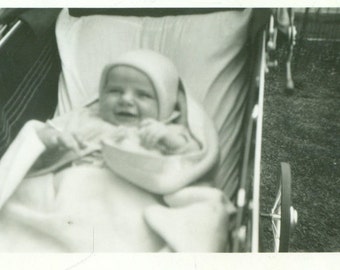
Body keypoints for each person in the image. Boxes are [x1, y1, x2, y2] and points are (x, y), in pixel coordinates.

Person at [0, 49, 227, 252]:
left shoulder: (168, 130)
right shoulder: (85, 117)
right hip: (65, 191)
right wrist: (53, 141)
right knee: (17, 210)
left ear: (166, 104)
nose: (126, 100)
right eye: (115, 91)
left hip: (122, 199)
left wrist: (170, 141)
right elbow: (39, 144)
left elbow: (193, 162)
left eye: (143, 95)